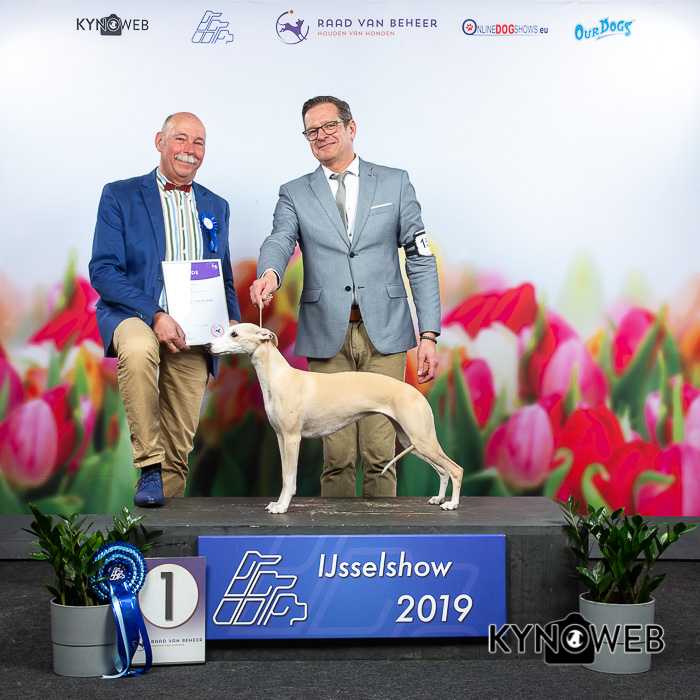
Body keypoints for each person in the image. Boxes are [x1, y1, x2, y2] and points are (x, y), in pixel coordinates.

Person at [250, 96, 440, 499]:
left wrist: (429, 334)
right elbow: (280, 238)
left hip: (385, 331)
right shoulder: (294, 192)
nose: (321, 136)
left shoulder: (395, 182)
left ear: (351, 128)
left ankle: (381, 536)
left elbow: (420, 257)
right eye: (311, 131)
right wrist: (270, 272)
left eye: (329, 126)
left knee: (380, 452)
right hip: (326, 332)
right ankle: (333, 537)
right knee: (336, 457)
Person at [89, 112, 240, 507]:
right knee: (139, 348)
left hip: (196, 330)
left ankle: (161, 529)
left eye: (199, 142)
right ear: (160, 141)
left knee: (179, 445)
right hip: (135, 315)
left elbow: (222, 275)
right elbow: (103, 270)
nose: (190, 150)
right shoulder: (119, 195)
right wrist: (156, 315)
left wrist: (232, 321)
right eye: (181, 139)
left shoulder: (217, 205)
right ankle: (149, 465)